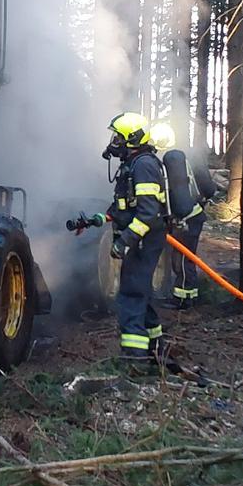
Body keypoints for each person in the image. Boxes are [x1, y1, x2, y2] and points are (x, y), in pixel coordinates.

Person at [100, 111, 169, 365]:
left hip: (144, 239)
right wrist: (100, 218)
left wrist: (124, 241)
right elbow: (124, 206)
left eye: (118, 137)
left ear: (132, 139)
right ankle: (156, 348)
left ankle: (134, 358)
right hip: (142, 238)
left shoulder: (144, 165)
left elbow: (148, 213)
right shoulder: (134, 164)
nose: (113, 142)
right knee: (141, 291)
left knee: (130, 294)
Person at [150, 121, 220, 309]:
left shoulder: (164, 162)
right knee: (187, 257)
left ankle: (182, 299)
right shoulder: (186, 158)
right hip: (194, 214)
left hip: (184, 218)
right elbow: (208, 187)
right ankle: (189, 295)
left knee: (181, 258)